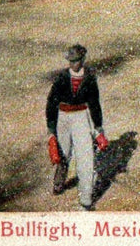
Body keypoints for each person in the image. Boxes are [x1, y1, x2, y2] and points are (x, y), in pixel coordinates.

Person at [45, 44, 108, 211]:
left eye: (77, 60)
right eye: (71, 61)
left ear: (83, 60)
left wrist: (98, 128)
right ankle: (59, 183)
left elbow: (94, 104)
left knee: (86, 157)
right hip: (63, 118)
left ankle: (86, 198)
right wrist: (51, 131)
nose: (74, 64)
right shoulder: (61, 78)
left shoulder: (90, 78)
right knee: (62, 153)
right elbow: (51, 103)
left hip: (81, 117)